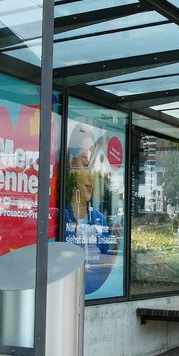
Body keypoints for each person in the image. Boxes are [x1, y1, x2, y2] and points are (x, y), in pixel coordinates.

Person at [64, 124, 117, 294]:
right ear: (70, 165)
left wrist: (116, 245)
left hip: (95, 294)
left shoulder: (99, 219)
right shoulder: (61, 217)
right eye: (85, 164)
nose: (91, 175)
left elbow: (107, 262)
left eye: (94, 167)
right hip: (68, 295)